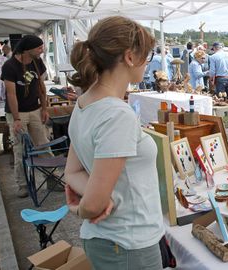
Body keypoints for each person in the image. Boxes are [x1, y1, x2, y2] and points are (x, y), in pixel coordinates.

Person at [65, 16, 165, 269]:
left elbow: (73, 172)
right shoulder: (117, 114)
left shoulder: (85, 103)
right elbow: (94, 203)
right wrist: (82, 207)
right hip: (128, 243)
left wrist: (92, 194)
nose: (147, 64)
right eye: (147, 56)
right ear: (130, 57)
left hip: (112, 240)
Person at [1, 35, 50, 198]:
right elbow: (11, 94)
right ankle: (22, 185)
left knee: (43, 144)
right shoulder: (10, 66)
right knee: (20, 149)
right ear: (28, 49)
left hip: (35, 109)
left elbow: (41, 87)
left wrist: (44, 108)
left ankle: (50, 178)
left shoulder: (38, 62)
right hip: (17, 112)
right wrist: (16, 119)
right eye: (39, 47)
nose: (42, 50)